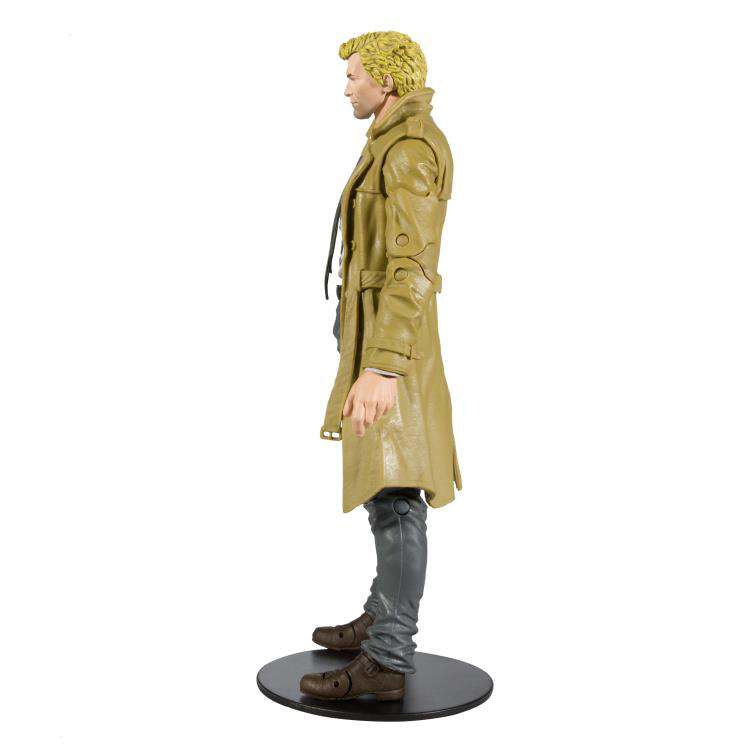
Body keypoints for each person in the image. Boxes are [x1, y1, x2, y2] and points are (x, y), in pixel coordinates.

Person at [301, 30, 462, 701]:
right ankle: (381, 615)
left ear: (387, 82)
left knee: (397, 496)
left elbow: (412, 268)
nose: (347, 87)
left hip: (393, 348)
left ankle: (389, 657)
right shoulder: (390, 141)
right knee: (382, 484)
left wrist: (383, 368)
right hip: (376, 339)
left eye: (355, 76)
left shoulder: (409, 150)